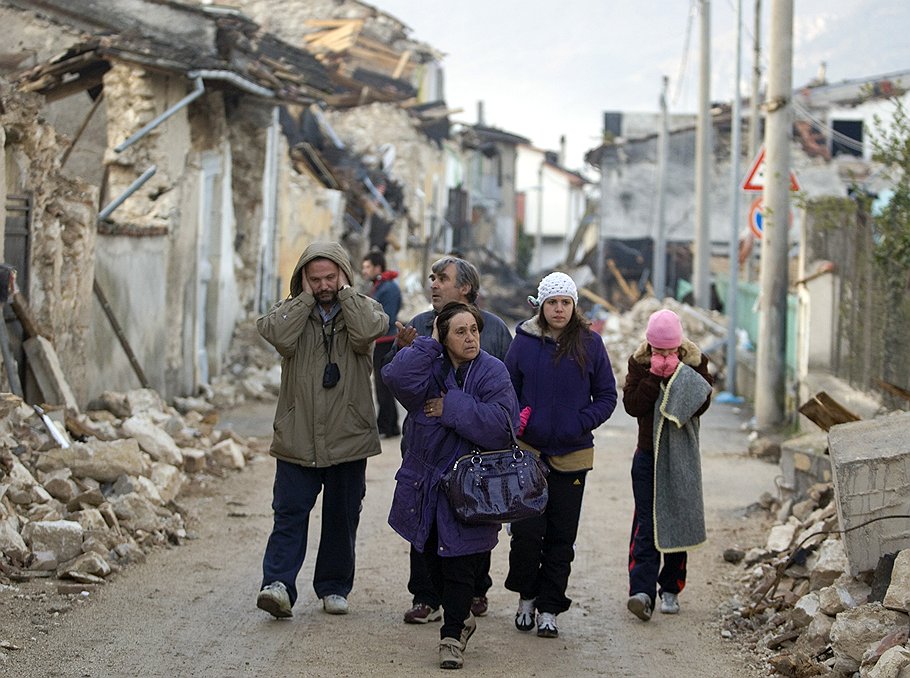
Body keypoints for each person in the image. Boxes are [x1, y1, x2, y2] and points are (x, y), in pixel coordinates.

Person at [255, 241, 389, 619]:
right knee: (289, 513)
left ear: (345, 275)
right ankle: (277, 584)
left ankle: (333, 587)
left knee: (342, 516)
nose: (324, 285)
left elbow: (368, 331)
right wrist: (303, 299)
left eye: (331, 277)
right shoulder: (291, 312)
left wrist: (347, 294)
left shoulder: (363, 309)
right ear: (303, 279)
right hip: (298, 436)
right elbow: (277, 335)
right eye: (315, 279)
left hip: (349, 435)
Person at [382, 301, 520, 669]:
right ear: (443, 337)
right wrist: (426, 346)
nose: (471, 337)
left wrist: (452, 408)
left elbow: (504, 426)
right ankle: (459, 618)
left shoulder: (493, 371)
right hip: (426, 482)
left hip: (471, 487)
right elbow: (396, 380)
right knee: (431, 561)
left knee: (459, 565)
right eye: (460, 331)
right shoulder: (431, 365)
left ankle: (452, 636)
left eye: (473, 329)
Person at [390, 255, 512, 623]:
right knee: (423, 522)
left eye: (442, 278)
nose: (434, 284)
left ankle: (473, 591)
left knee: (475, 519)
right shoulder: (420, 325)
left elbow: (507, 387)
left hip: (478, 454)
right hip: (425, 450)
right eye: (432, 277)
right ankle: (425, 596)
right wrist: (404, 349)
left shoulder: (494, 330)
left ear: (466, 288)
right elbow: (405, 383)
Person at [503, 271, 617, 639]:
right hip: (529, 454)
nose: (559, 309)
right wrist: (519, 418)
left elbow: (607, 396)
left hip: (573, 456)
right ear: (541, 306)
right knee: (525, 535)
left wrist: (581, 422)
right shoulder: (523, 342)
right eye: (552, 302)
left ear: (574, 305)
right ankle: (526, 599)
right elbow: (507, 389)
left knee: (560, 538)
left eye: (565, 302)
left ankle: (550, 607)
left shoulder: (590, 344)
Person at [622, 308, 713, 622]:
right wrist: (652, 378)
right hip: (647, 456)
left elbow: (702, 402)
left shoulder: (695, 363)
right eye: (658, 350)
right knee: (646, 524)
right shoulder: (639, 363)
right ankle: (642, 593)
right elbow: (632, 406)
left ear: (679, 346)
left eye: (669, 350)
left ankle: (671, 588)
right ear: (649, 346)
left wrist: (679, 375)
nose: (663, 354)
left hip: (680, 456)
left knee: (675, 520)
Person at [361, 250, 402, 438]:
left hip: (385, 342)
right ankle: (386, 423)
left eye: (367, 267)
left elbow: (388, 317)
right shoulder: (380, 286)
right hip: (379, 341)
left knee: (383, 385)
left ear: (378, 267)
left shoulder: (389, 288)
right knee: (380, 385)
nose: (364, 271)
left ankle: (389, 425)